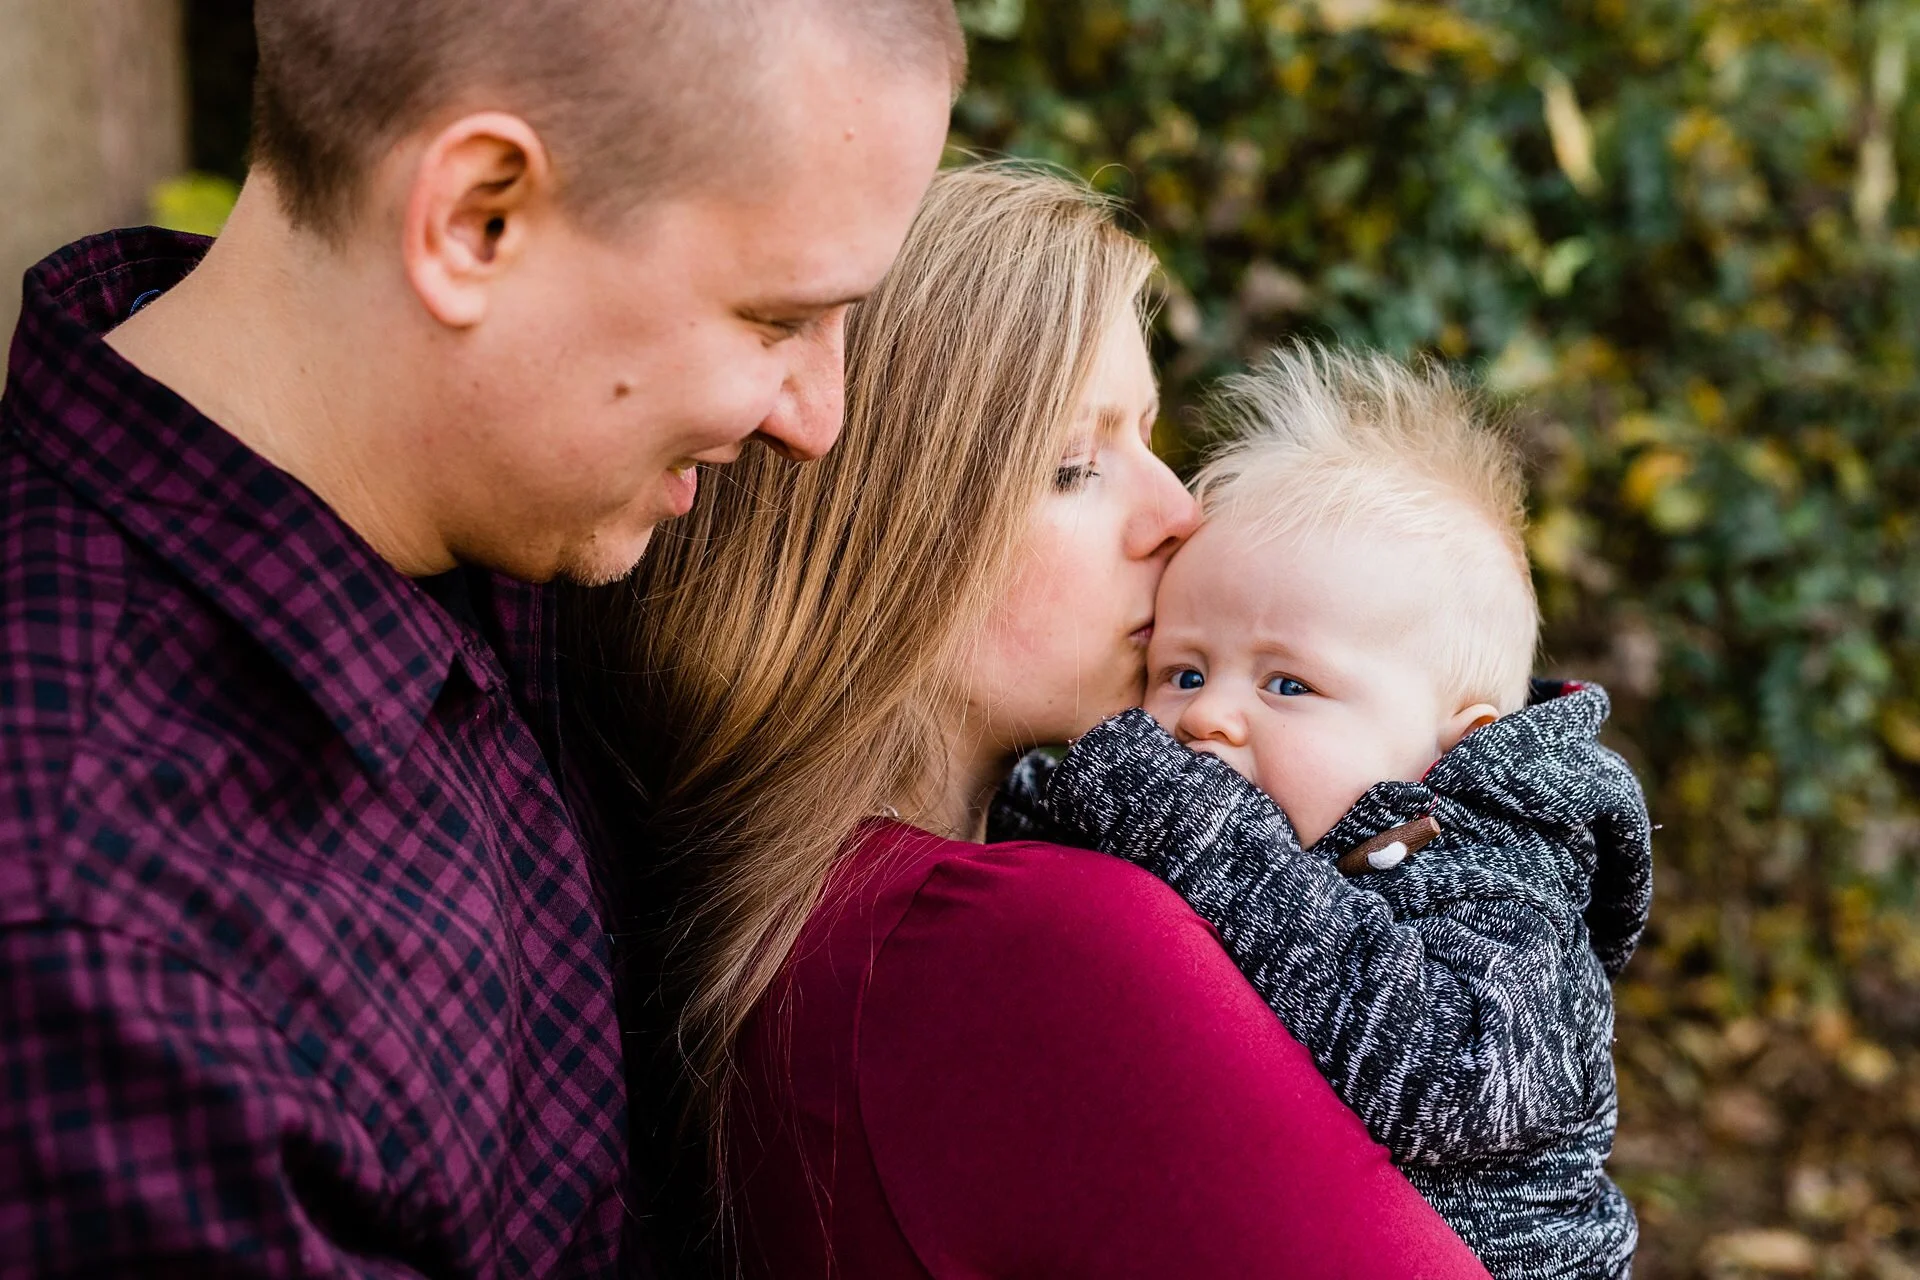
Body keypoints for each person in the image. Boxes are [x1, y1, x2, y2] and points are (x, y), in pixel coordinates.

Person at [0, 0, 958, 1272]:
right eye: (776, 320)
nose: (816, 420)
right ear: (476, 219)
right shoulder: (107, 953)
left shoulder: (527, 506)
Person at [566, 164, 1495, 1278]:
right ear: (880, 534)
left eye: (1150, 436)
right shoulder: (1023, 943)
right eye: (1073, 466)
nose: (1177, 512)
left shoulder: (806, 919)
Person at [1006, 347, 1654, 1279]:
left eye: (1288, 683)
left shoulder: (1509, 890)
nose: (1207, 715)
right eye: (1184, 671)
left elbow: (1448, 1076)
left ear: (1449, 747)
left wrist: (1209, 841)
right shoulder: (1226, 833)